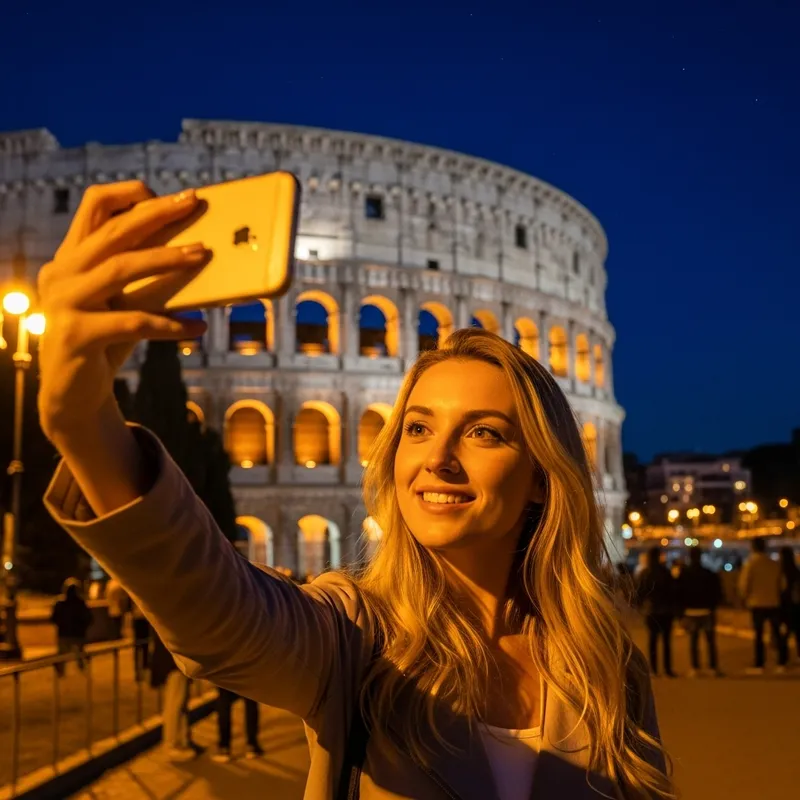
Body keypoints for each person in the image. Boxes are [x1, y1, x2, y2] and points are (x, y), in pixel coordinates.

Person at [36, 183, 672, 799]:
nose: (437, 461)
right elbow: (215, 613)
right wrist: (85, 422)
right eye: (417, 428)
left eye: (483, 432)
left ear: (541, 474)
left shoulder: (604, 663)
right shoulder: (353, 635)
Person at [738, 538, 787, 674]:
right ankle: (781, 662)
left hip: (757, 603)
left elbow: (744, 585)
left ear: (753, 547)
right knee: (777, 633)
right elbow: (782, 584)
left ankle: (760, 664)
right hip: (773, 602)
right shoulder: (773, 564)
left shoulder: (750, 564)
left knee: (759, 635)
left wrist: (744, 597)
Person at [150, 629, 197, 762]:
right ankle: (172, 745)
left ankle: (182, 741)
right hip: (174, 664)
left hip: (175, 663)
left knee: (179, 704)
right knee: (174, 705)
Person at [676, 548, 723, 677]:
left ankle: (695, 667)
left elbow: (678, 594)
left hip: (690, 611)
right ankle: (713, 667)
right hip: (706, 611)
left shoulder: (684, 574)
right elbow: (717, 593)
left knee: (693, 640)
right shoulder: (709, 573)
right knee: (710, 640)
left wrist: (681, 612)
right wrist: (712, 607)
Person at [635, 547, 677, 678]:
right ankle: (667, 669)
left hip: (652, 611)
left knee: (653, 640)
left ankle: (654, 669)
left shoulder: (645, 573)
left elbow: (640, 592)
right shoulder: (665, 571)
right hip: (666, 610)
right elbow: (672, 591)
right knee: (666, 641)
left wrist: (640, 606)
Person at [51, 579, 93, 677]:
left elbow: (53, 618)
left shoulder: (60, 603)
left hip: (64, 633)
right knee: (80, 654)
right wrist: (83, 627)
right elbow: (89, 618)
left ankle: (61, 674)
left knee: (62, 655)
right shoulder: (81, 603)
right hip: (78, 634)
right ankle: (83, 671)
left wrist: (60, 625)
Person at [212, 688, 265, 763]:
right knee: (251, 702)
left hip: (224, 677)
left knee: (224, 702)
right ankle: (252, 746)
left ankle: (224, 748)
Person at [778, 546, 800, 661]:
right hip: (797, 607)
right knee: (798, 632)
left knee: (784, 634)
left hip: (785, 607)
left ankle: (782, 660)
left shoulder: (781, 573)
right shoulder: (796, 572)